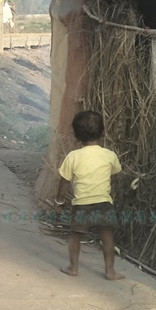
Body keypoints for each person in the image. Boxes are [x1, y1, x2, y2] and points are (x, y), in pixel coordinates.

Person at [57, 110, 124, 279]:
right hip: (104, 204)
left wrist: (59, 200)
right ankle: (110, 271)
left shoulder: (73, 156)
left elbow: (64, 180)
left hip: (82, 205)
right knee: (107, 238)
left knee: (75, 236)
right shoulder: (109, 155)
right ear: (102, 132)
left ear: (76, 134)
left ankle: (73, 268)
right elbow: (116, 173)